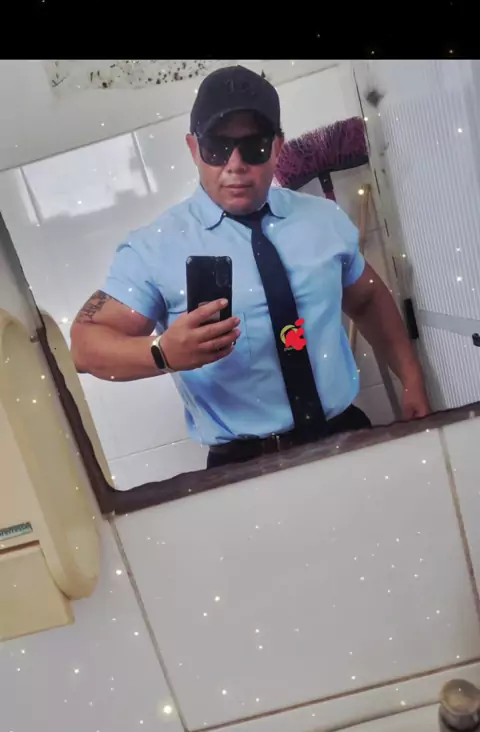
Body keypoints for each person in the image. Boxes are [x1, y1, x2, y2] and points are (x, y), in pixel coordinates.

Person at [70, 65, 430, 470]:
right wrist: (162, 352)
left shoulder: (323, 220)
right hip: (242, 467)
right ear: (193, 148)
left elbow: (366, 299)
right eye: (217, 147)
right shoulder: (154, 248)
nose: (235, 163)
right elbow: (84, 347)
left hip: (345, 436)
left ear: (277, 146)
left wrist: (412, 378)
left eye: (254, 145)